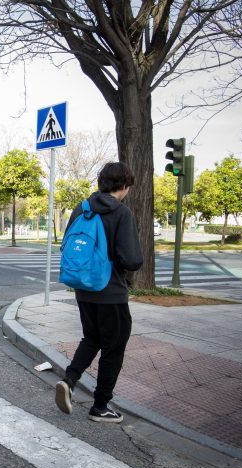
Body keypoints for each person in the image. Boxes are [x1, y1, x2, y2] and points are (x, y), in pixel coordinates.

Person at [55, 162, 143, 423]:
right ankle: (100, 406)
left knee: (91, 338)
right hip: (111, 291)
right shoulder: (121, 213)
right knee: (113, 347)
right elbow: (132, 260)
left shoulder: (81, 208)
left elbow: (67, 244)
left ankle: (69, 381)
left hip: (83, 287)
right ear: (124, 185)